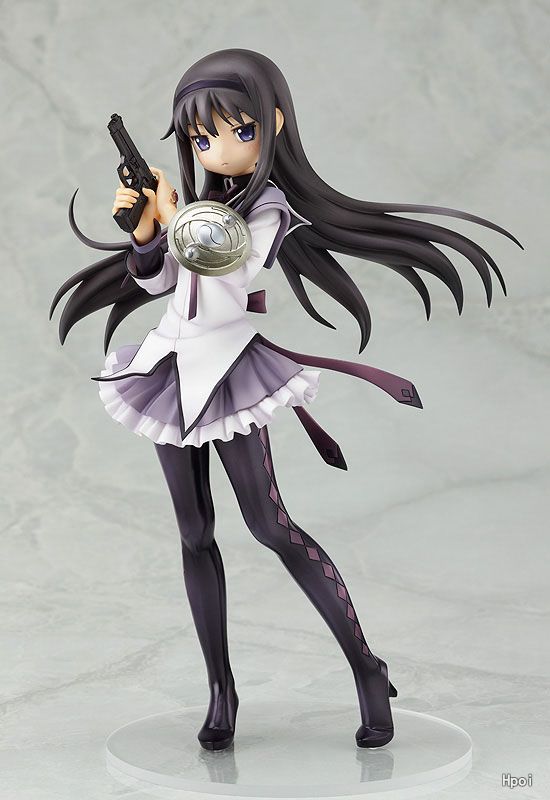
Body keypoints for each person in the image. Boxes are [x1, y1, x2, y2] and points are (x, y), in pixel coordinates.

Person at [51, 48, 520, 751]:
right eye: (201, 138)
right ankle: (221, 690)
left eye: (236, 131)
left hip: (229, 369)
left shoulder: (270, 207)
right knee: (193, 533)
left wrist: (174, 216)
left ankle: (366, 666)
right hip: (168, 366)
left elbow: (223, 276)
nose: (218, 148)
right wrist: (145, 232)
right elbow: (162, 284)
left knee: (270, 526)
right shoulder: (205, 204)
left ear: (270, 123)